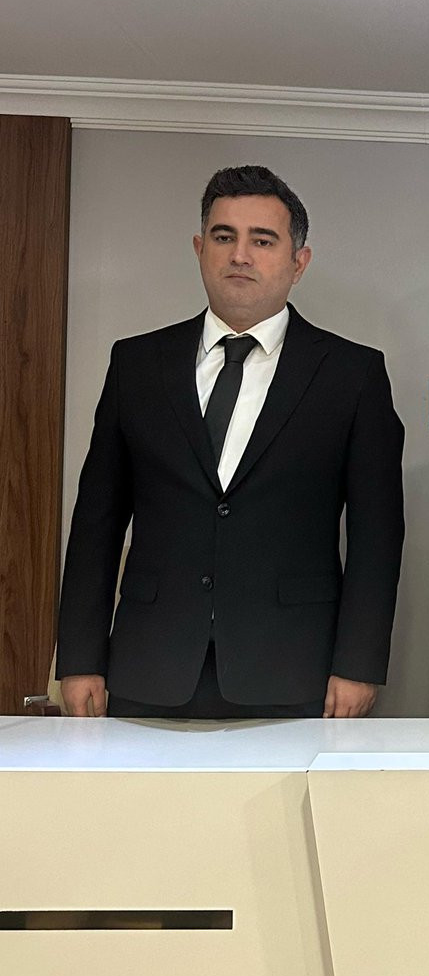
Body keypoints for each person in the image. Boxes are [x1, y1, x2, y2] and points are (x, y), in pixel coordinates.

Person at [57, 165, 405, 718]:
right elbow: (95, 524)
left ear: (299, 261)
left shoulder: (352, 374)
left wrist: (359, 664)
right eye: (224, 237)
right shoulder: (137, 364)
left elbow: (377, 536)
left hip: (296, 670)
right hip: (148, 664)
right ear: (200, 249)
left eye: (262, 241)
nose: (240, 255)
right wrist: (80, 658)